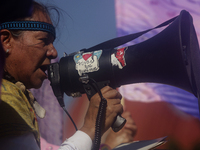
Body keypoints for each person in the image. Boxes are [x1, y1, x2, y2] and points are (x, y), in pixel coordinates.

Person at [0, 1, 123, 150]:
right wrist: (90, 128)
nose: (54, 52)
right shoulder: (6, 96)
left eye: (52, 43)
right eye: (44, 41)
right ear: (6, 41)